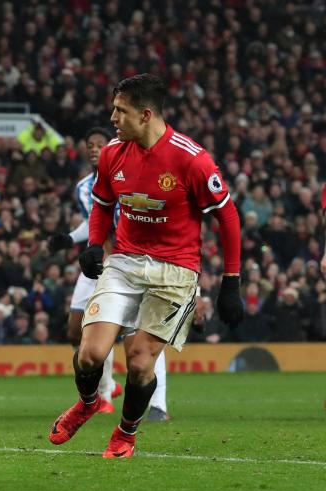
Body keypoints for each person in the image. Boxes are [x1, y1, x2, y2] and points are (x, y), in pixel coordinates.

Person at [48, 74, 242, 458]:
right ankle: (88, 403)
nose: (113, 118)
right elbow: (102, 204)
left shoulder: (192, 160)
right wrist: (93, 245)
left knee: (139, 362)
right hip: (124, 263)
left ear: (146, 114)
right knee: (89, 354)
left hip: (175, 271)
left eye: (121, 111)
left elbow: (229, 217)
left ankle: (125, 433)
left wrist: (231, 282)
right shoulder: (113, 155)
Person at [49, 127, 170, 420]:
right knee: (76, 329)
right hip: (99, 262)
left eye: (100, 144)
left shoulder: (129, 173)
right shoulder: (82, 187)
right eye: (89, 145)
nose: (93, 149)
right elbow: (95, 219)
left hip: (131, 260)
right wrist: (71, 239)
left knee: (140, 335)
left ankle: (157, 404)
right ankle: (107, 387)